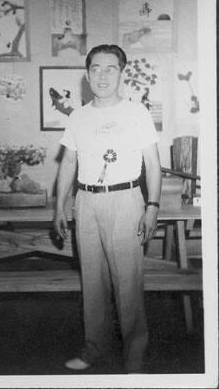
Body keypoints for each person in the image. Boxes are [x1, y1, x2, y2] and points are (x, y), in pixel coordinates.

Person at [53, 44, 162, 374]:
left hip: (126, 200)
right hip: (86, 202)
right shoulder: (78, 116)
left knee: (127, 282)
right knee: (93, 281)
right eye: (95, 69)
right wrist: (59, 206)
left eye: (110, 68)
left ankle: (135, 354)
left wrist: (152, 206)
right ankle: (93, 348)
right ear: (87, 75)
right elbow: (69, 162)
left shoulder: (136, 113)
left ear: (122, 72)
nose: (102, 75)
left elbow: (153, 165)